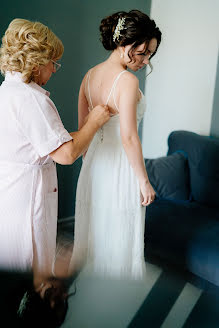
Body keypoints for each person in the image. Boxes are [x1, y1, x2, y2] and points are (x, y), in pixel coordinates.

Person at [0, 18, 112, 291]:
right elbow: (65, 153)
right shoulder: (32, 100)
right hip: (27, 198)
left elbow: (51, 142)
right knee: (32, 269)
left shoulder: (8, 91)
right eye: (53, 62)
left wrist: (83, 130)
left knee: (17, 268)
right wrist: (94, 122)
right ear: (37, 62)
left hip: (11, 189)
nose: (54, 69)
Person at [68, 10, 162, 279]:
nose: (145, 60)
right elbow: (129, 136)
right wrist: (143, 181)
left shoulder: (89, 76)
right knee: (119, 238)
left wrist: (91, 167)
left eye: (150, 55)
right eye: (142, 52)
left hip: (94, 166)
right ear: (124, 44)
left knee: (94, 235)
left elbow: (83, 131)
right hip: (121, 169)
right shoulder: (128, 81)